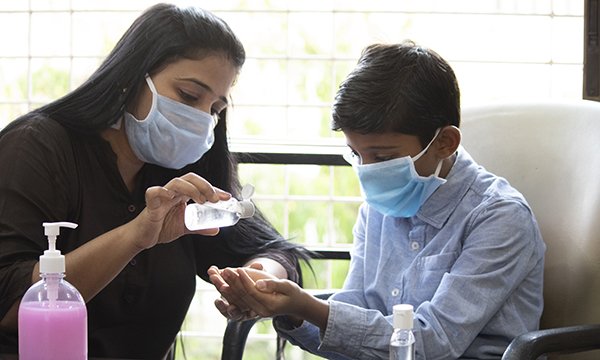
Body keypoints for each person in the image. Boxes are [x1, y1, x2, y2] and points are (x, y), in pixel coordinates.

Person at [0, 3, 309, 359]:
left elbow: (276, 251)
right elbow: (9, 304)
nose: (200, 120)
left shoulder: (186, 172)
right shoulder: (38, 148)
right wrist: (136, 235)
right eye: (189, 96)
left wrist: (256, 277)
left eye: (215, 109)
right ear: (130, 78)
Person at [210, 41, 546, 359]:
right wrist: (289, 310)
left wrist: (306, 306)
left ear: (445, 142)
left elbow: (433, 343)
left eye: (383, 157)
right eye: (356, 154)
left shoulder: (499, 218)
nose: (368, 172)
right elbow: (356, 322)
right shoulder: (381, 206)